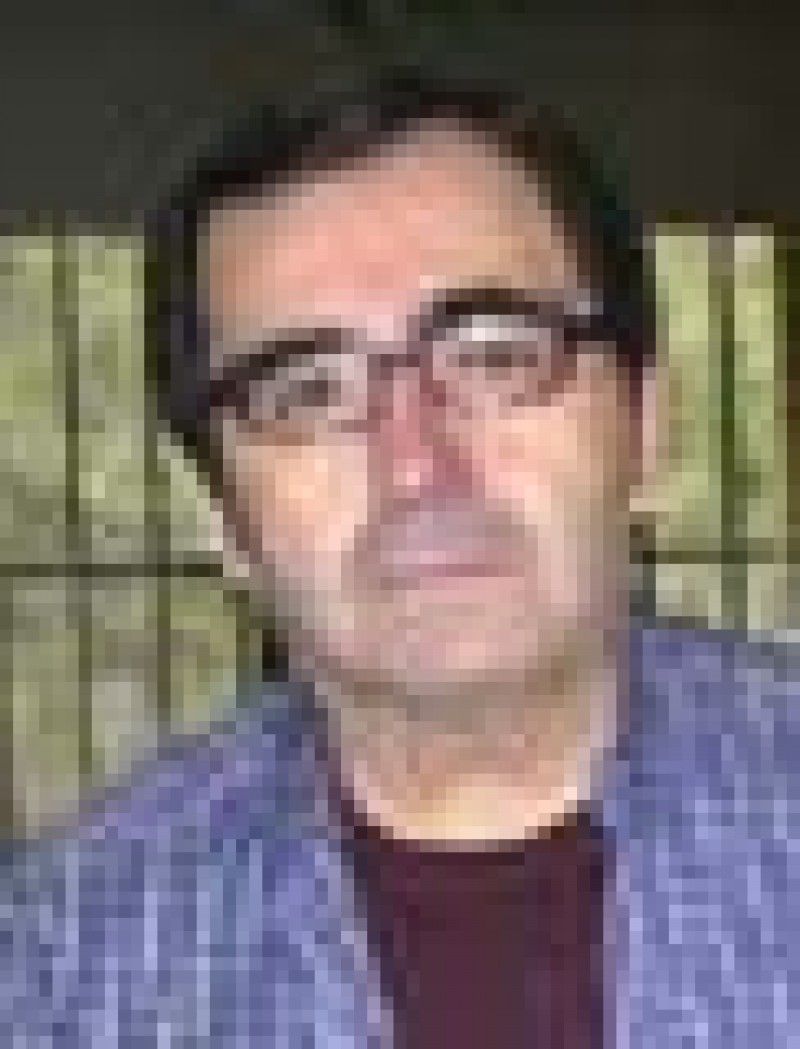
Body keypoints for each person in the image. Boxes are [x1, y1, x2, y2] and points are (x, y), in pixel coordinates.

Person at [5, 66, 800, 1048]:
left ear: (644, 429)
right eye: (308, 391)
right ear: (220, 513)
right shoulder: (64, 962)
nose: (417, 464)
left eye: (493, 356)